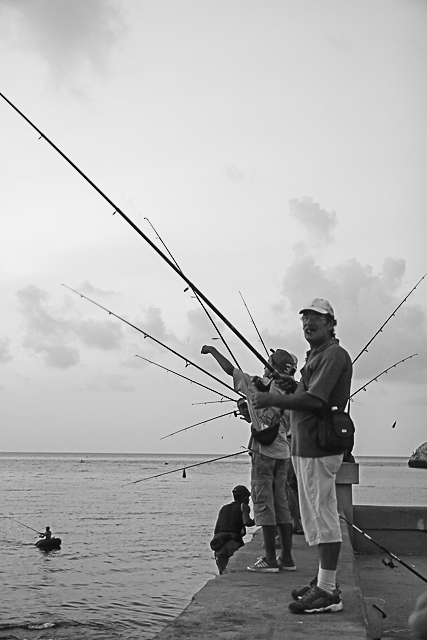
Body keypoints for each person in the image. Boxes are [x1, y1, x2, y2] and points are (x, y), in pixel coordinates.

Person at [251, 298, 352, 613]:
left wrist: (271, 396)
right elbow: (308, 393)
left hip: (317, 448)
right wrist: (291, 384)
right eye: (305, 318)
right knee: (319, 517)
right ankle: (324, 582)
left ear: (330, 324)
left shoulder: (334, 355)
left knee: (323, 519)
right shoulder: (319, 356)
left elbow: (314, 400)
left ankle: (326, 592)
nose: (309, 323)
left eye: (316, 319)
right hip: (307, 447)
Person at [201, 344, 297, 573]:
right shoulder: (294, 393)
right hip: (284, 453)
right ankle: (287, 558)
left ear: (271, 367)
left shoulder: (256, 385)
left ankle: (270, 560)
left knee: (264, 504)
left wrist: (213, 350)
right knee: (282, 504)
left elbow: (229, 370)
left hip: (264, 454)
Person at [211, 485, 255, 574]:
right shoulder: (244, 506)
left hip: (219, 543)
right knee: (235, 572)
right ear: (243, 497)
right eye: (248, 497)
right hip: (233, 543)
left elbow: (216, 529)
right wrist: (257, 519)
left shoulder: (224, 508)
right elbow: (247, 522)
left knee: (223, 573)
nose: (249, 500)